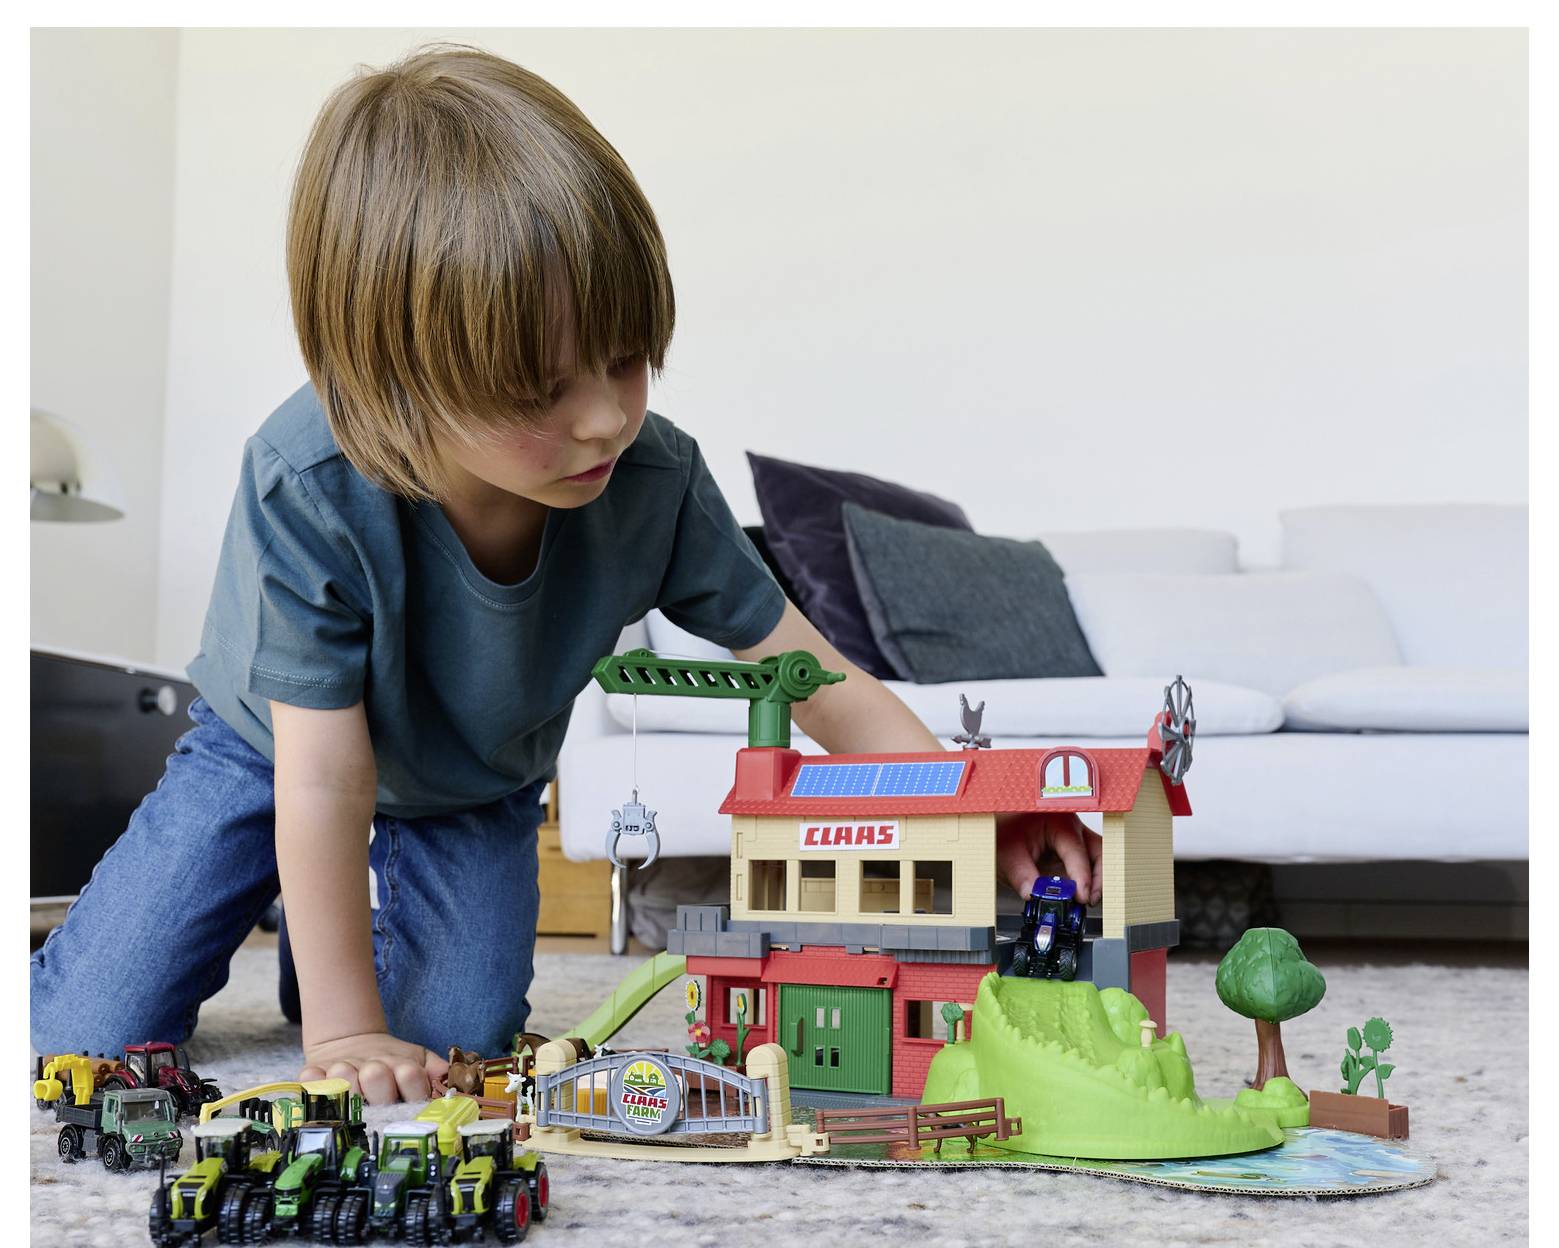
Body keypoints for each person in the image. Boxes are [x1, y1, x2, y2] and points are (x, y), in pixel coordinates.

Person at [30, 45, 1101, 1103]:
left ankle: (325, 956)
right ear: (391, 383)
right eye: (542, 388)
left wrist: (974, 808)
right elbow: (323, 780)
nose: (604, 416)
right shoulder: (307, 476)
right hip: (271, 758)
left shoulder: (654, 478)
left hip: (471, 787)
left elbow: (817, 682)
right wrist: (347, 1030)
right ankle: (322, 953)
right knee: (78, 1035)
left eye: (627, 357)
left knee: (455, 1043)